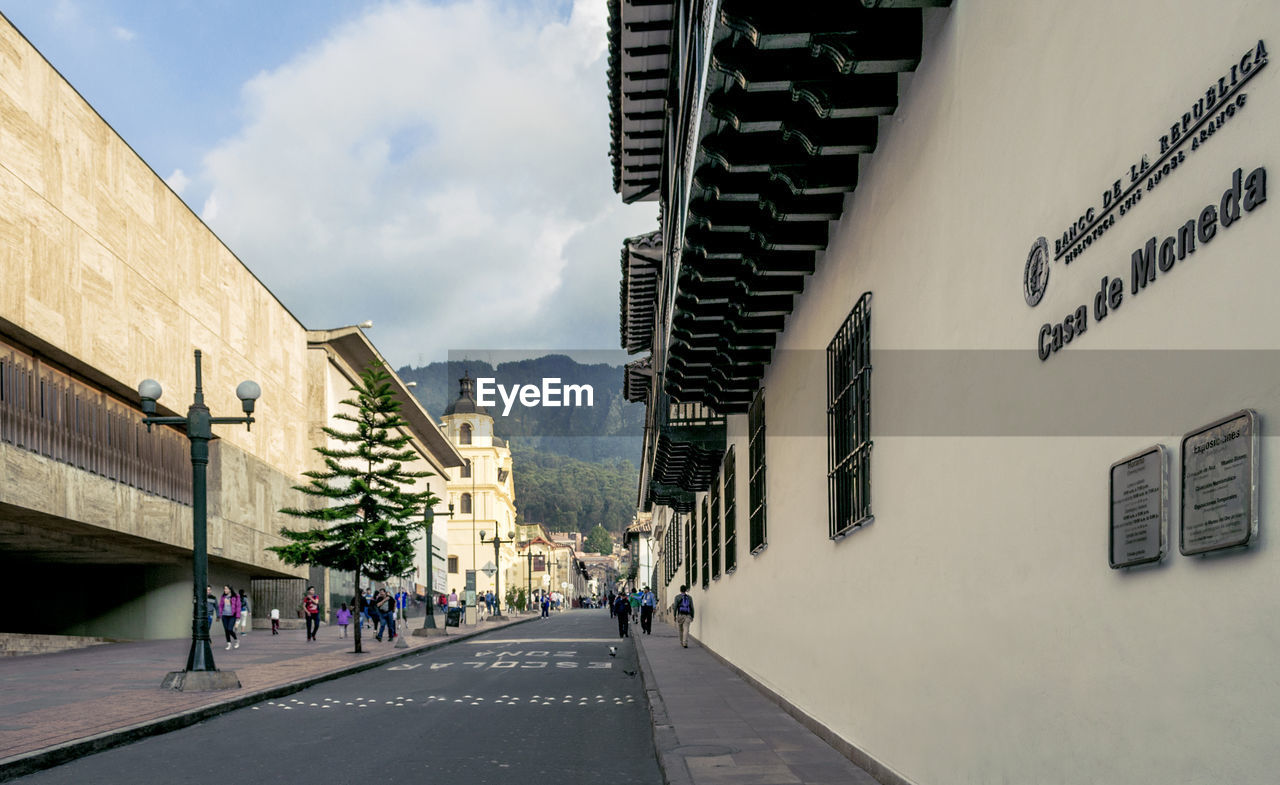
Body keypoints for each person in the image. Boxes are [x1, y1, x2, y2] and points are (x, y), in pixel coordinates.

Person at [218, 586, 240, 650]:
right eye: (224, 589)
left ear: (230, 590)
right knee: (226, 630)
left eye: (226, 589)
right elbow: (221, 606)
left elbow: (238, 606)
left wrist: (238, 616)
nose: (225, 590)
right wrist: (220, 614)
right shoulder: (223, 596)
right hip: (224, 615)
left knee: (230, 629)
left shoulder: (236, 596)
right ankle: (229, 644)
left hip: (232, 615)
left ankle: (236, 640)